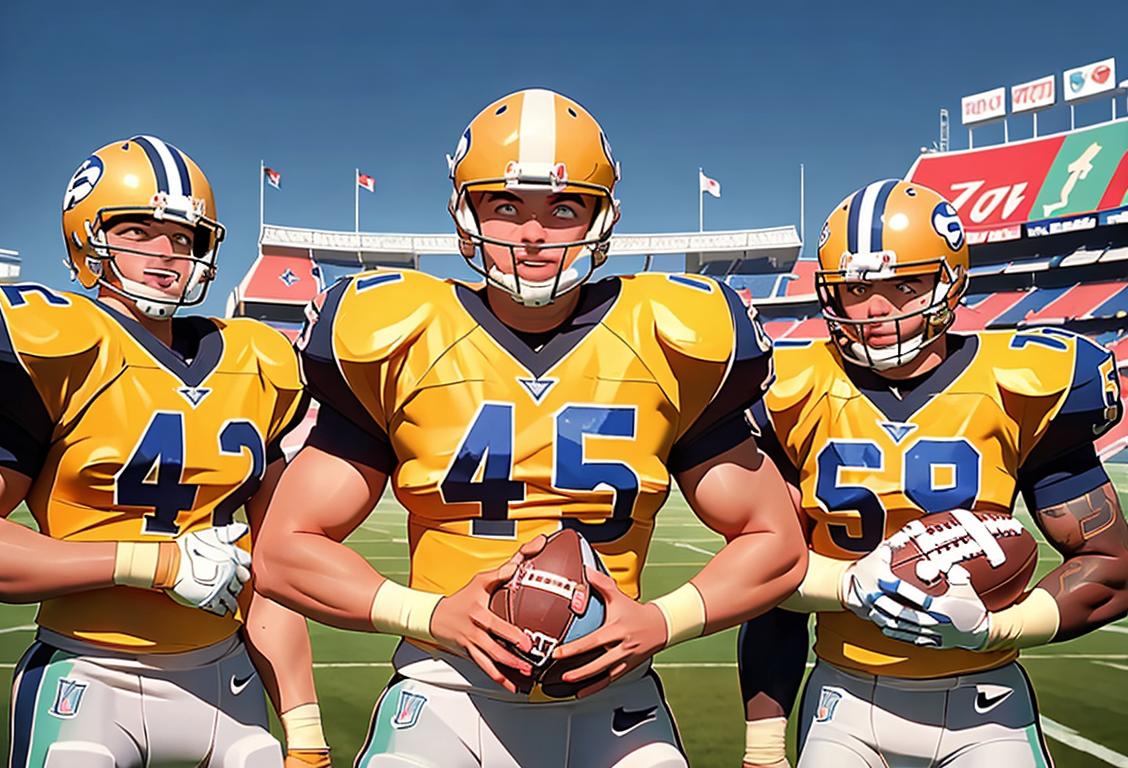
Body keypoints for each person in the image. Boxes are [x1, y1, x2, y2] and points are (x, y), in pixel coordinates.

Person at [254, 88, 807, 768]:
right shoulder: (398, 338)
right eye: (506, 206)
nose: (534, 233)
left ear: (601, 221)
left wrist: (660, 621)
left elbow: (775, 541)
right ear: (466, 215)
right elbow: (284, 550)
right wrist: (430, 617)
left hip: (617, 700)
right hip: (445, 692)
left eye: (564, 207)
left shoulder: (672, 341)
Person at [738, 179, 1128, 768]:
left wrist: (999, 628)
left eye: (905, 284)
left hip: (985, 702)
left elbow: (1112, 565)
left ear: (950, 281)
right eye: (857, 288)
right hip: (844, 699)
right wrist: (764, 742)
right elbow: (765, 570)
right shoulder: (790, 389)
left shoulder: (1021, 385)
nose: (877, 310)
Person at [0, 136, 330, 767]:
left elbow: (274, 572)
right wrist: (152, 564)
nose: (165, 254)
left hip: (224, 676)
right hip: (87, 672)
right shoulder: (61, 347)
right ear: (86, 237)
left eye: (183, 238)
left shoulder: (260, 361)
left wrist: (306, 732)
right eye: (136, 230)